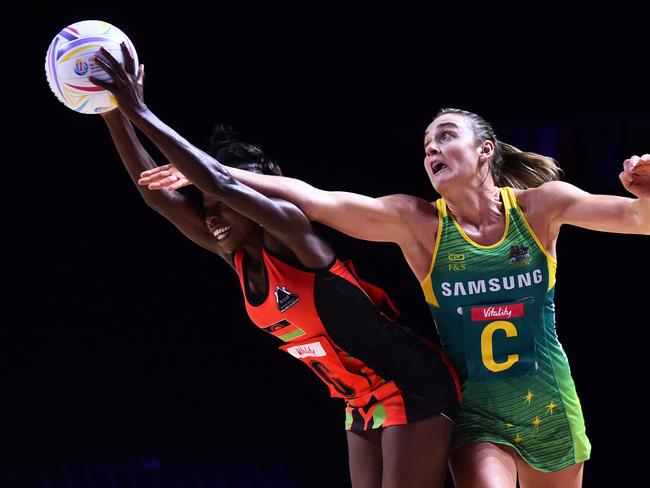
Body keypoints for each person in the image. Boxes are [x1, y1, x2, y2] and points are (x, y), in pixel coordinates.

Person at [142, 102, 650, 487]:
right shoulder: (418, 223)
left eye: (445, 137)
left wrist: (646, 193)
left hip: (550, 401)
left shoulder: (542, 208)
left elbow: (637, 220)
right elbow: (313, 199)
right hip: (476, 412)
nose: (430, 149)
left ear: (485, 151)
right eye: (426, 143)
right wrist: (212, 173)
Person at [89, 44, 460, 488]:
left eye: (221, 207)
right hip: (360, 398)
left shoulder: (292, 233)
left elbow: (220, 181)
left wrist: (140, 111)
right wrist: (113, 114)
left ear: (254, 204)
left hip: (410, 381)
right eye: (206, 206)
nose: (211, 215)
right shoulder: (238, 255)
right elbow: (156, 195)